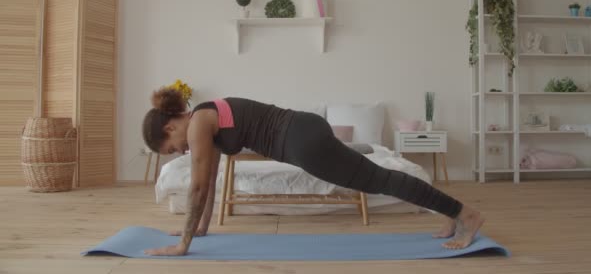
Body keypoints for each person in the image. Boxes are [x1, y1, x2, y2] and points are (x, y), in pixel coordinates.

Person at [141, 88, 484, 256]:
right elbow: (210, 181)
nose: (181, 152)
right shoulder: (206, 118)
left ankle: (465, 214)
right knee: (380, 177)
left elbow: (197, 189)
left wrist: (183, 245)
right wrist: (199, 229)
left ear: (171, 127)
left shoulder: (200, 122)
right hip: (303, 130)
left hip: (302, 141)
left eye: (173, 148)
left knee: (380, 180)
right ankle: (452, 213)